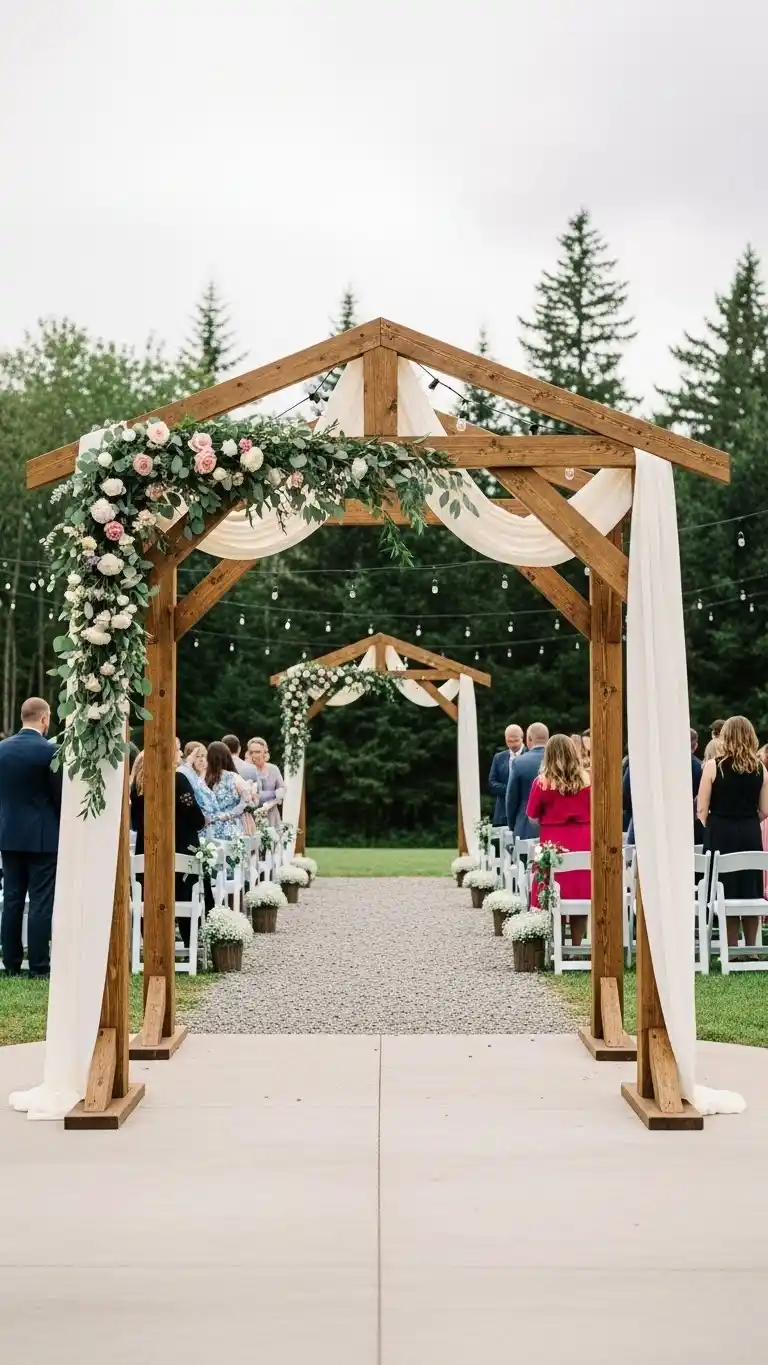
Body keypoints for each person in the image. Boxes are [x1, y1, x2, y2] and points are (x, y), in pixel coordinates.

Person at [0, 697, 62, 977]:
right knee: (40, 901)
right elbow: (59, 797)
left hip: (9, 834)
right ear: (44, 718)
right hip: (42, 836)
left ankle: (10, 963)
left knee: (12, 899)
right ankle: (39, 966)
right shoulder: (51, 752)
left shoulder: (2, 750)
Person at [697, 716, 768, 948]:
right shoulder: (761, 769)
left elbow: (701, 808)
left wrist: (716, 823)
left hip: (720, 831)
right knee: (750, 888)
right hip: (749, 831)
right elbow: (765, 810)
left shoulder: (712, 766)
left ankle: (731, 947)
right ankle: (751, 947)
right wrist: (746, 819)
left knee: (724, 889)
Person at [129, 750, 208, 947]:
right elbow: (193, 813)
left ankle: (153, 941)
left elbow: (135, 822)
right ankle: (191, 939)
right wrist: (200, 822)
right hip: (181, 844)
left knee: (151, 892)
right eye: (176, 750)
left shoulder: (137, 786)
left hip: (146, 847)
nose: (179, 753)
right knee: (186, 890)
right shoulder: (178, 779)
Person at [527, 734, 591, 945]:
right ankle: (575, 945)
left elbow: (532, 815)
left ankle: (557, 943)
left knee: (553, 890)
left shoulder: (543, 783)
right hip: (583, 839)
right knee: (581, 893)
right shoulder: (588, 780)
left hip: (553, 841)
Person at [623, 727, 704, 847]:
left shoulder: (638, 762)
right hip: (678, 825)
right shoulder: (696, 766)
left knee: (636, 861)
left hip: (643, 822)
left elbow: (625, 797)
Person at [505, 722, 549, 840]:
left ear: (528, 739)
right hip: (555, 827)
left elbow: (511, 798)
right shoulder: (560, 762)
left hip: (526, 827)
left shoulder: (519, 762)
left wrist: (512, 825)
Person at [199, 741, 250, 839]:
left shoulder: (202, 777)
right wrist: (230, 814)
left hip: (208, 827)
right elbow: (246, 800)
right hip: (231, 828)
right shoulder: (233, 777)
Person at [488, 724, 524, 829]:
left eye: (516, 741)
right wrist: (510, 790)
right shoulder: (499, 758)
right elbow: (491, 783)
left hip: (522, 812)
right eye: (509, 741)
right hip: (502, 813)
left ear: (522, 738)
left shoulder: (529, 756)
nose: (513, 745)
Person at [244, 737, 284, 829]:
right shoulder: (246, 770)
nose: (254, 755)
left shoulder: (273, 769)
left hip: (271, 814)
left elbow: (281, 788)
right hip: (252, 815)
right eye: (251, 752)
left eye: (257, 752)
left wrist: (270, 804)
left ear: (265, 752)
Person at [178, 741, 209, 806]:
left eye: (204, 756)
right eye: (197, 756)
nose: (202, 759)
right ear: (190, 758)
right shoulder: (185, 774)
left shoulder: (205, 776)